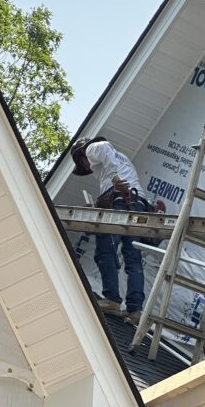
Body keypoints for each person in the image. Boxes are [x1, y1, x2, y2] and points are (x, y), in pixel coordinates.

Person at [70, 136, 150, 323]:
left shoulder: (91, 149)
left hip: (120, 200)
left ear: (82, 155)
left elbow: (104, 147)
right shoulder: (122, 159)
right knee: (133, 257)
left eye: (82, 163)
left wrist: (114, 179)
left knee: (106, 249)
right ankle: (135, 310)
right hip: (137, 203)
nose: (87, 167)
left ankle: (112, 300)